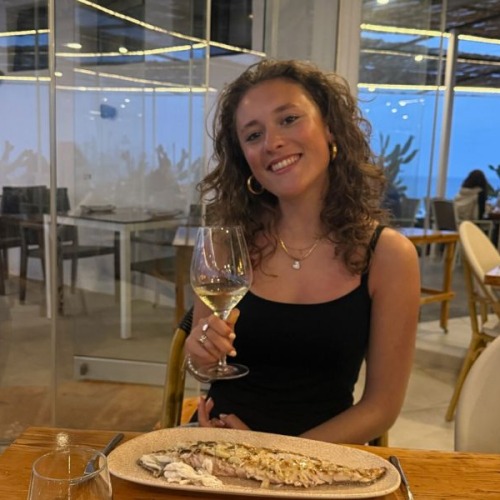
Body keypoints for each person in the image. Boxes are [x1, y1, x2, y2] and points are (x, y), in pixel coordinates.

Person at [184, 59, 421, 445]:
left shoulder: (388, 256)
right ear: (244, 157)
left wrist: (274, 457)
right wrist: (201, 355)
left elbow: (381, 407)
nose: (272, 142)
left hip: (323, 459)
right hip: (219, 447)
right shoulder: (227, 244)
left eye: (289, 119)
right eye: (253, 135)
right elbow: (201, 367)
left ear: (329, 127)